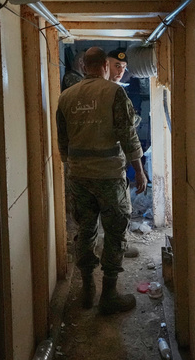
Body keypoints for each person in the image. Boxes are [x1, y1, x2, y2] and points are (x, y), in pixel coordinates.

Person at [57, 47, 148, 313]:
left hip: (79, 176)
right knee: (115, 230)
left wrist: (72, 168)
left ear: (85, 66)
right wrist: (139, 170)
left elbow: (63, 142)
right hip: (108, 175)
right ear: (105, 67)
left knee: (85, 231)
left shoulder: (66, 96)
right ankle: (109, 293)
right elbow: (128, 135)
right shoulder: (114, 92)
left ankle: (87, 290)